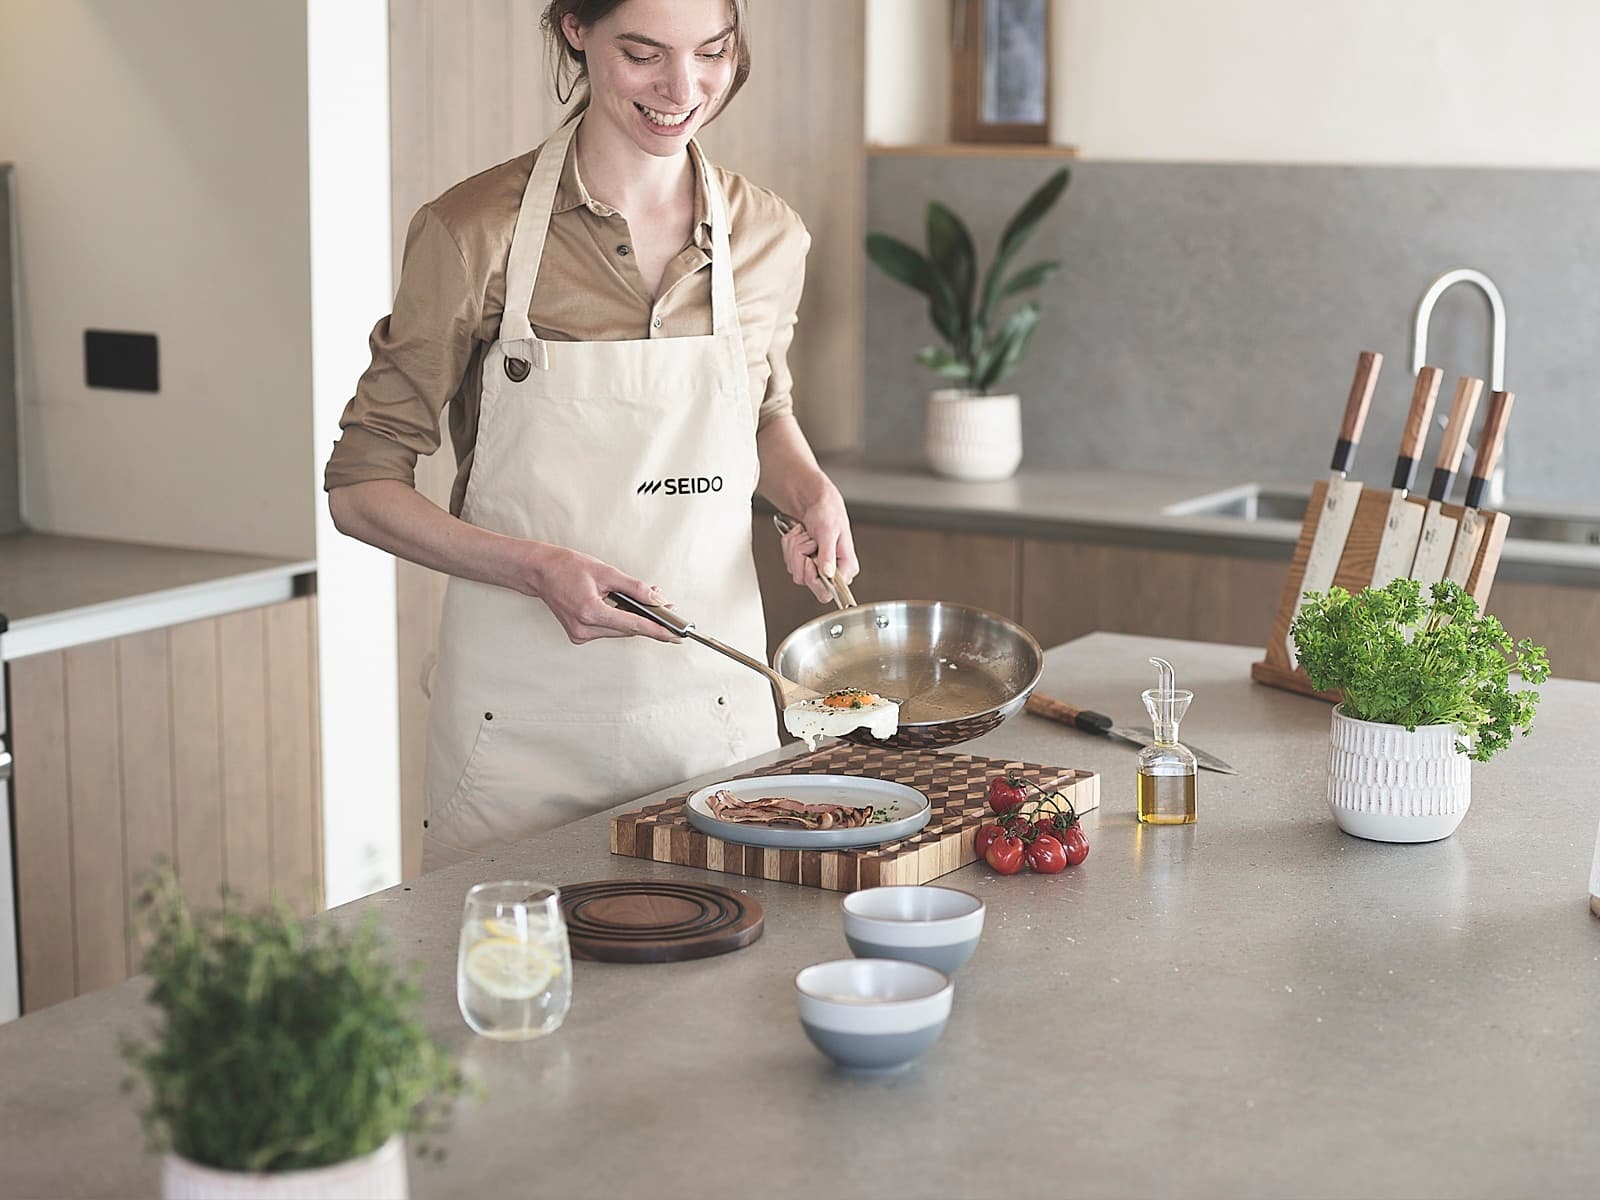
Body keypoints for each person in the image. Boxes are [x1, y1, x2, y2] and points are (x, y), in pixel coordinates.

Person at [324, 0, 858, 870]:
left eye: (713, 53)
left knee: (713, 1000)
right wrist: (537, 568)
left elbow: (760, 412)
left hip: (713, 729)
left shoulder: (768, 235)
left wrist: (809, 492)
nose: (682, 90)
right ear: (575, 28)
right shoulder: (474, 234)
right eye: (643, 55)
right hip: (520, 737)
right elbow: (360, 490)